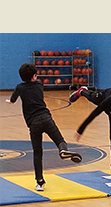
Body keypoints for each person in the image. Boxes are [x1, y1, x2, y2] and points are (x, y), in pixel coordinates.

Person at [6, 63, 82, 191]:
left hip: (33, 123)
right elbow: (34, 85)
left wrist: (11, 101)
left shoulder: (19, 87)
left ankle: (40, 182)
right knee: (59, 140)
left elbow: (13, 99)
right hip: (46, 118)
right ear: (35, 76)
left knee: (37, 152)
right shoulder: (39, 85)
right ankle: (62, 150)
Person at [69, 87, 111, 175]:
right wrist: (81, 130)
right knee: (92, 97)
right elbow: (95, 113)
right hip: (106, 98)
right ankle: (82, 91)